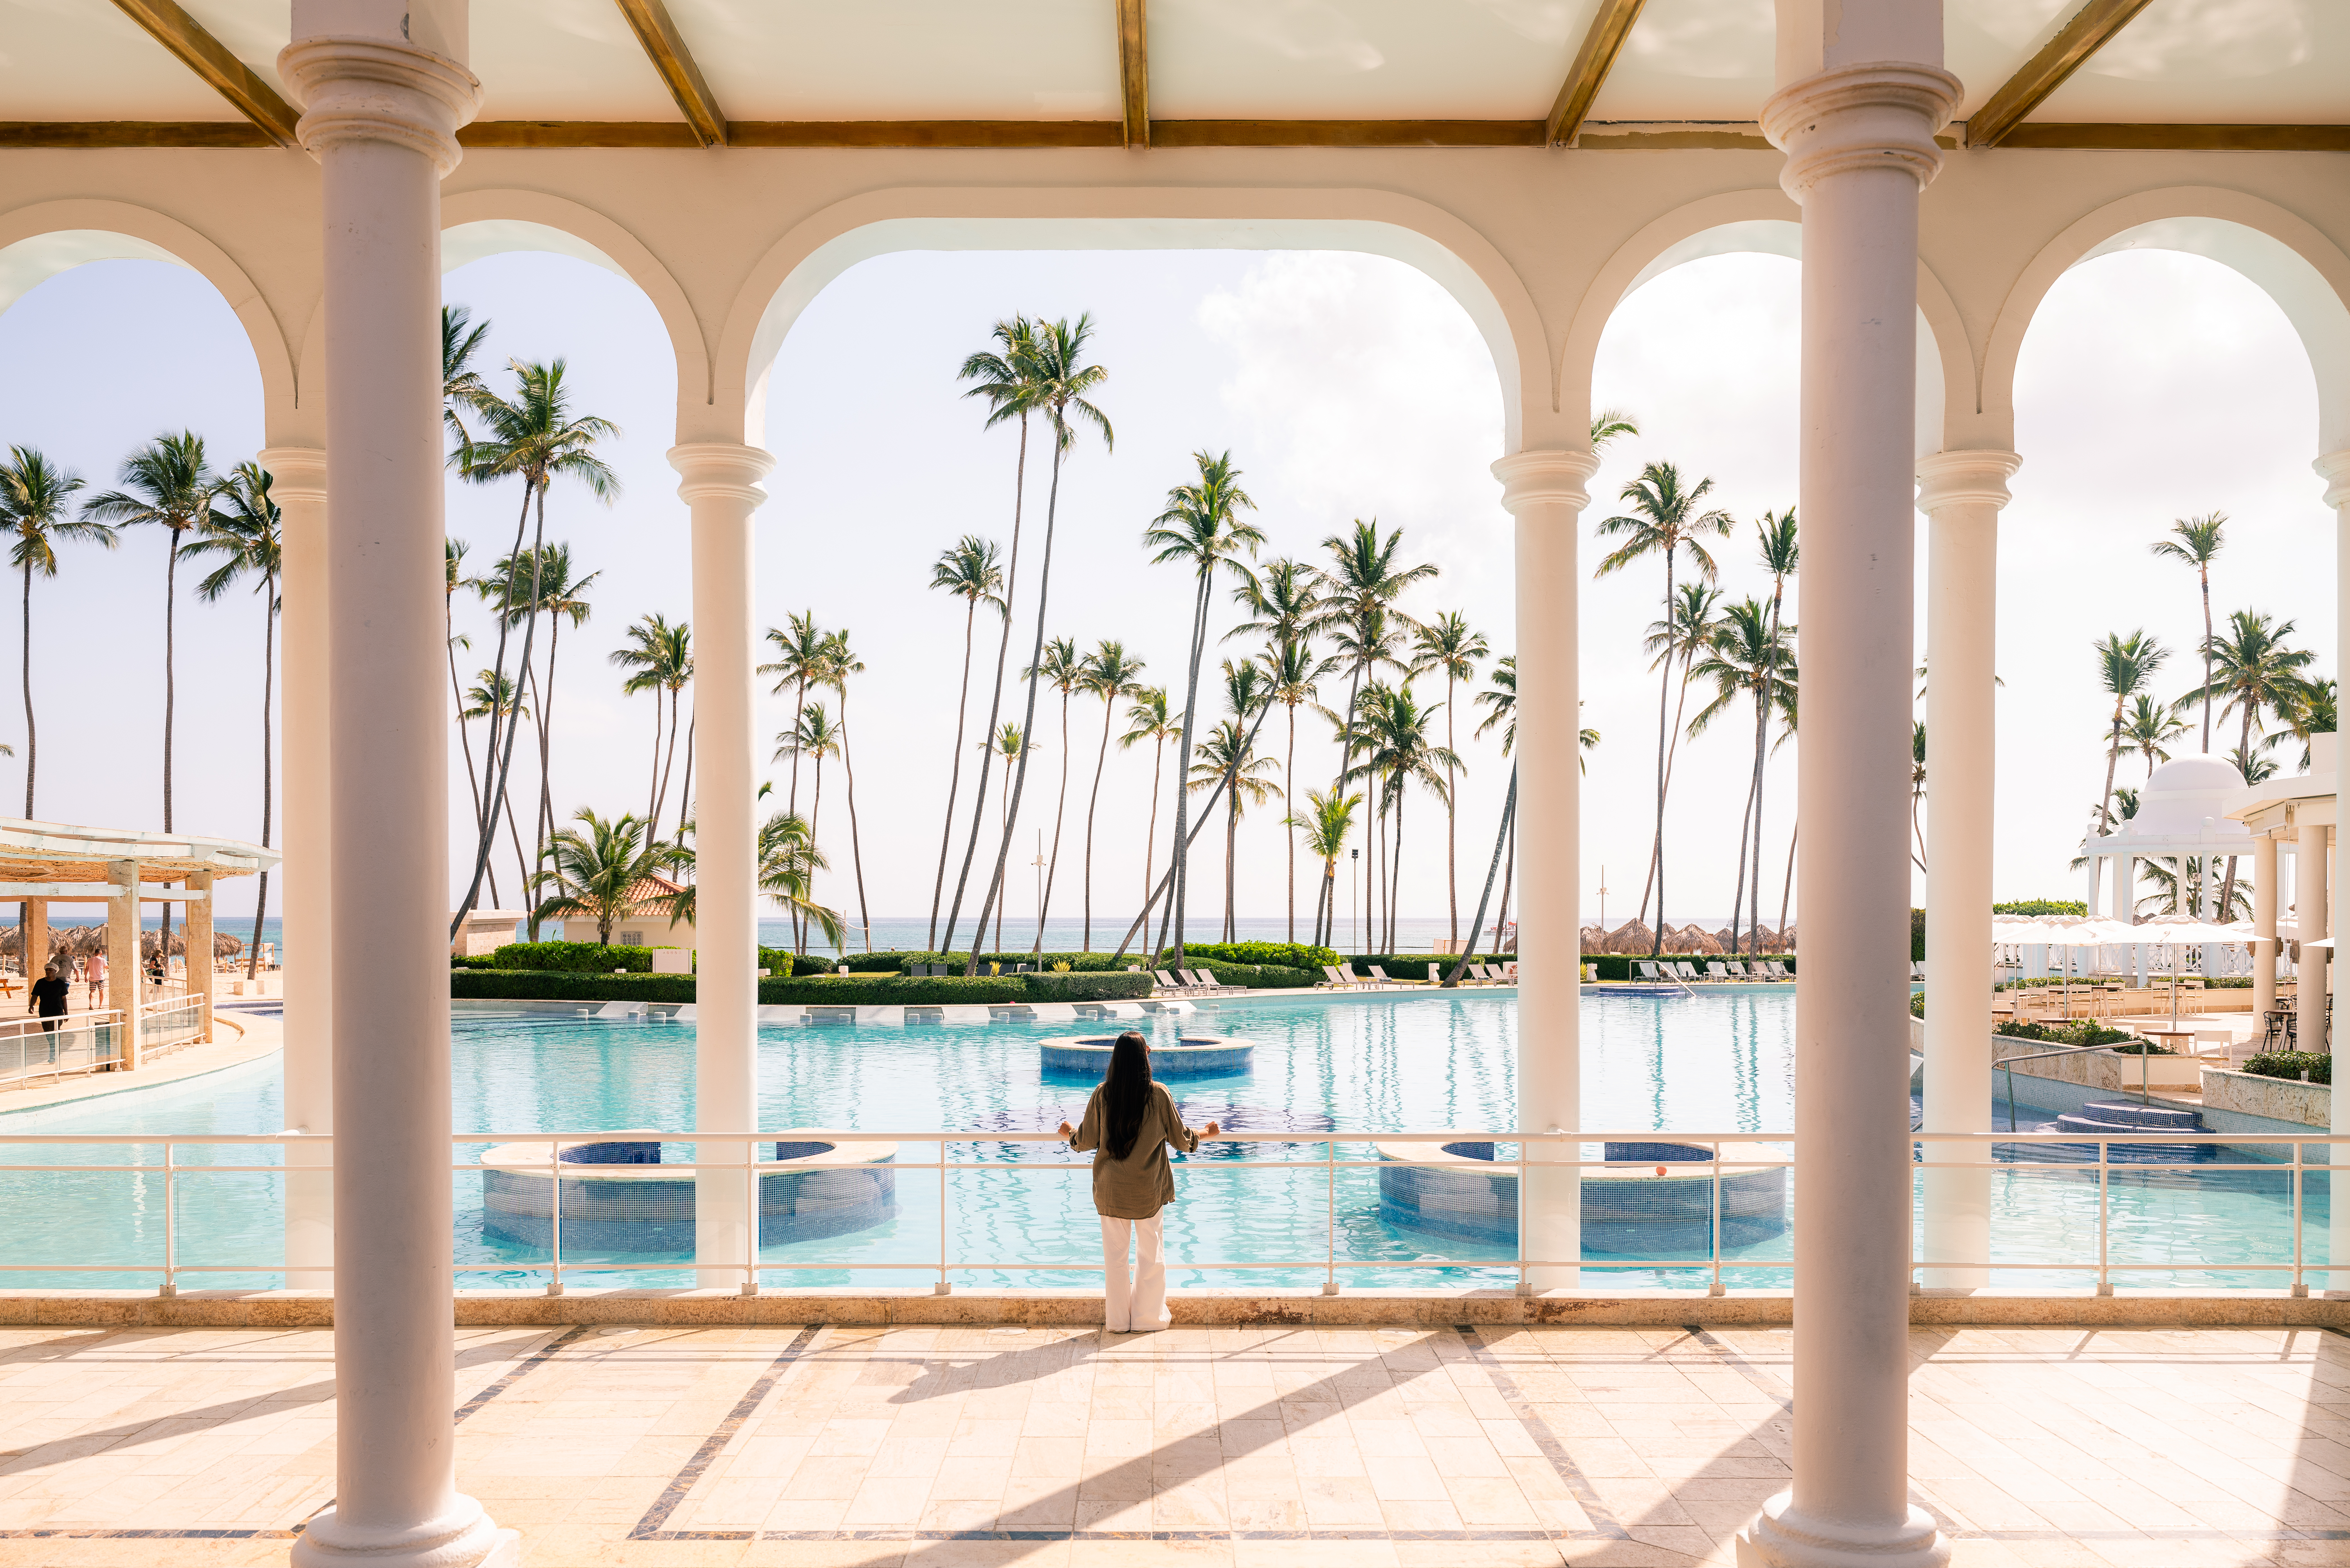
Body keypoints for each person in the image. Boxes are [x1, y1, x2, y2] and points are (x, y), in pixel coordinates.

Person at [1058, 1033, 1219, 1334]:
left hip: (1111, 1189)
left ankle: (1118, 1322)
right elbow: (1182, 1139)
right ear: (1146, 1055)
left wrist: (1069, 1133)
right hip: (1148, 1189)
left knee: (1115, 1261)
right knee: (1151, 1256)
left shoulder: (1103, 1094)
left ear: (1115, 1058)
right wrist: (1207, 1133)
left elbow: (1085, 1140)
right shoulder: (1158, 1095)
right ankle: (1147, 1320)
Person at [27, 962, 68, 1036]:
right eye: (47, 970)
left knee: (57, 1033)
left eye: (51, 970)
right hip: (45, 1011)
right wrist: (31, 1006)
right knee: (48, 1034)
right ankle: (52, 1048)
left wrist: (66, 1013)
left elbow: (64, 999)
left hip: (58, 1011)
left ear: (56, 971)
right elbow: (35, 995)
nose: (48, 971)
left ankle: (56, 1048)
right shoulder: (40, 983)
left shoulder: (61, 983)